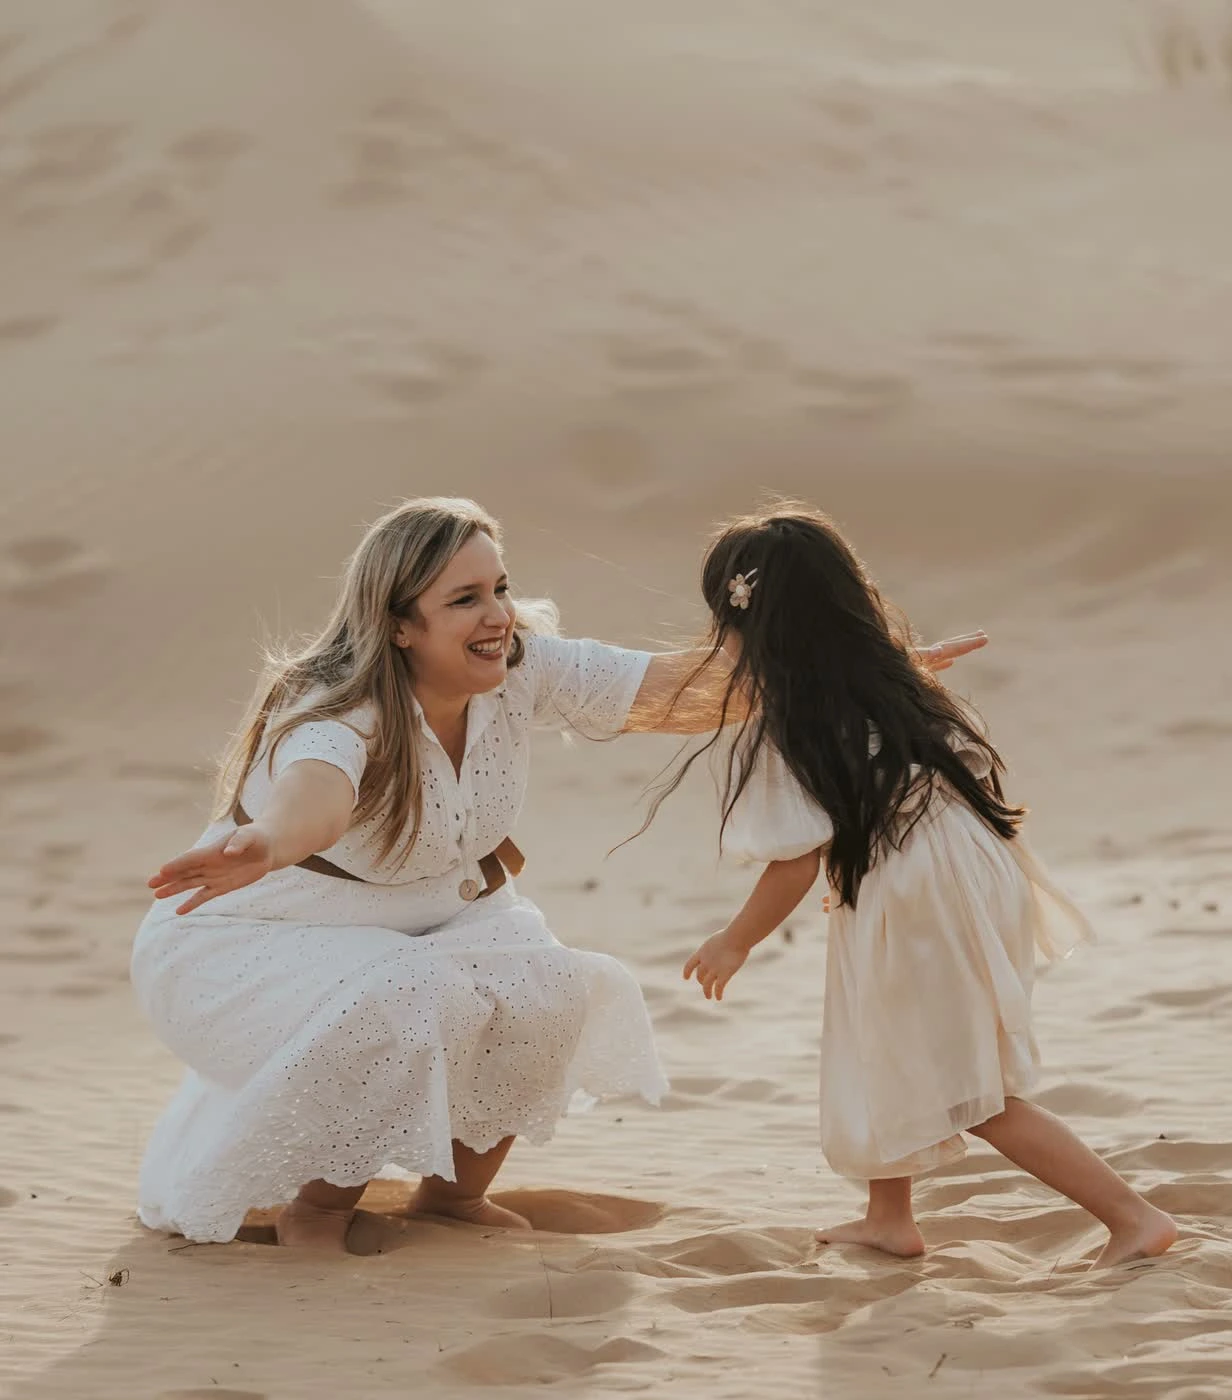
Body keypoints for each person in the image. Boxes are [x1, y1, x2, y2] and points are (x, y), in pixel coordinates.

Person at [133, 496, 983, 1253]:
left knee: (552, 991)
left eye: (498, 587)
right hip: (260, 940)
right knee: (408, 1001)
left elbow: (674, 692)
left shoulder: (522, 667)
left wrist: (874, 671)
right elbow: (315, 795)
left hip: (437, 921)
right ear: (400, 625)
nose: (497, 614)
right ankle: (316, 1213)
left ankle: (451, 1199)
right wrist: (270, 842)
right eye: (464, 599)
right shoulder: (333, 707)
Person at [676, 504, 1177, 1269]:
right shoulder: (893, 679)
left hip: (918, 891)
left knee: (964, 1085)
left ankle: (1133, 1218)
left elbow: (794, 860)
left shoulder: (795, 716)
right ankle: (888, 1217)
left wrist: (733, 940)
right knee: (884, 1041)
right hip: (958, 869)